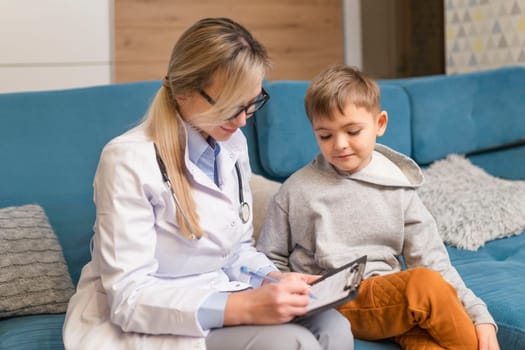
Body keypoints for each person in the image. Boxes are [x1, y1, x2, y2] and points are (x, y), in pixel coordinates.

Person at [62, 18, 354, 350]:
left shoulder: (232, 144)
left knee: (333, 327)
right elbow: (129, 297)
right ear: (184, 92)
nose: (243, 120)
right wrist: (247, 307)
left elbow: (236, 250)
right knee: (291, 342)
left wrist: (274, 279)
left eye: (251, 104)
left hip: (217, 289)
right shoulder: (127, 160)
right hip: (153, 317)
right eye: (231, 107)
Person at [256, 64, 500, 350]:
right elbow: (267, 260)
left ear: (379, 124)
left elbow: (433, 259)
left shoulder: (398, 185)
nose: (340, 144)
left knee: (430, 342)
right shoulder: (295, 191)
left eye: (353, 131)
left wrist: (479, 316)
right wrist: (293, 298)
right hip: (330, 301)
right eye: (325, 135)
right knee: (423, 285)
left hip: (388, 301)